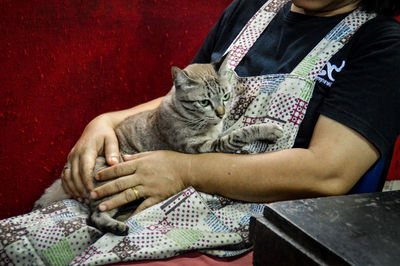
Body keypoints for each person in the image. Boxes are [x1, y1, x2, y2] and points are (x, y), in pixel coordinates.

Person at [61, 0, 400, 215]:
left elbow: (329, 172)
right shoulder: (247, 8)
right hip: (173, 185)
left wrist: (184, 171)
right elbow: (185, 99)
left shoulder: (381, 44)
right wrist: (106, 121)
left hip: (268, 220)